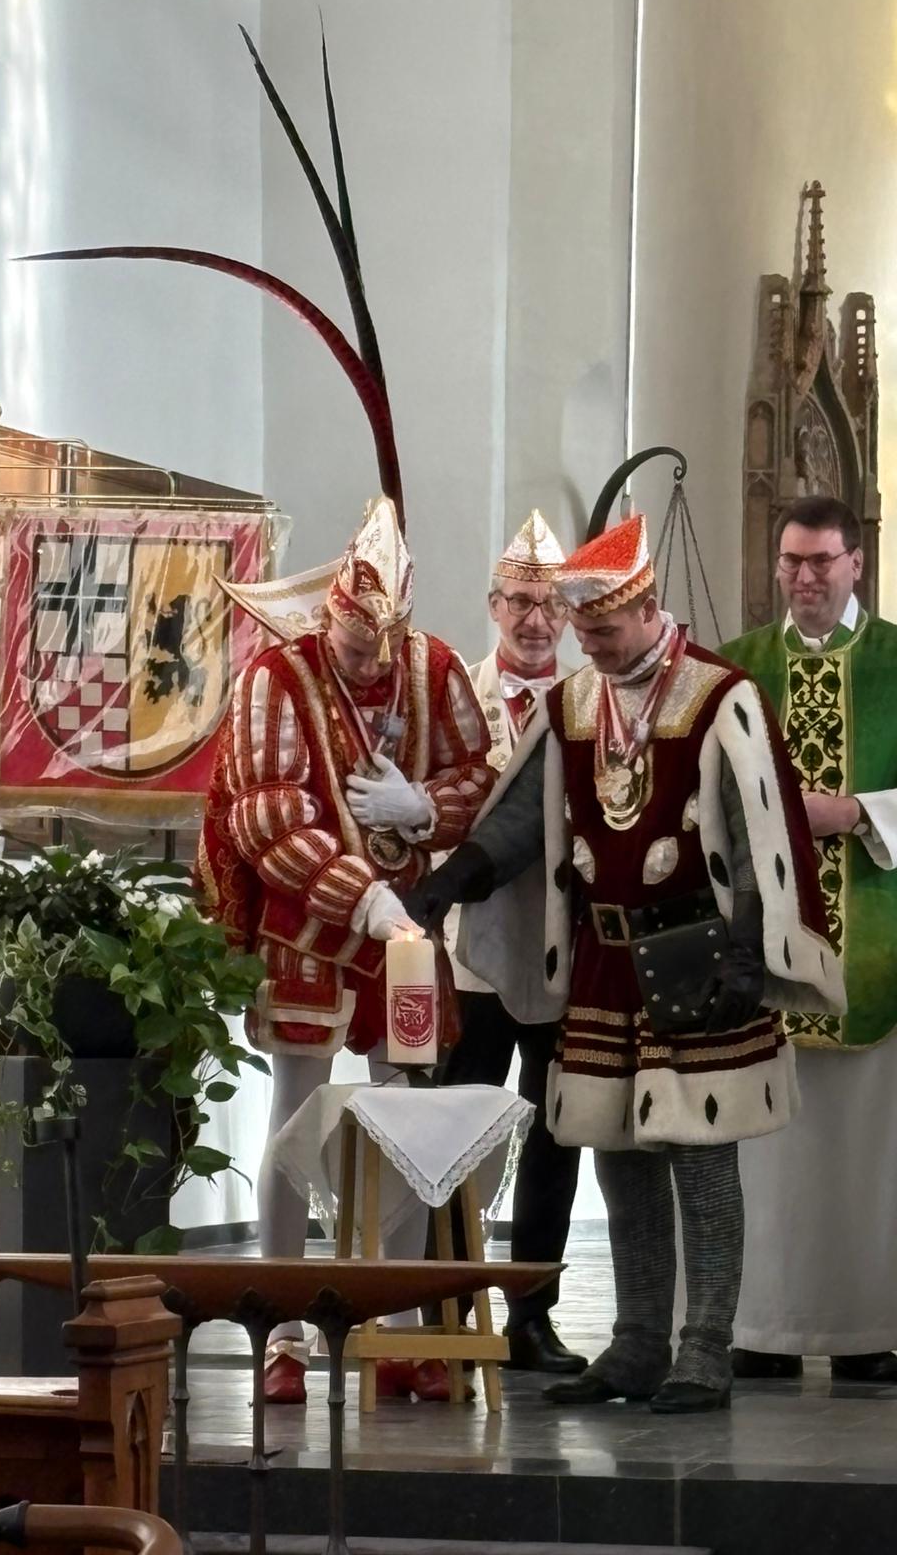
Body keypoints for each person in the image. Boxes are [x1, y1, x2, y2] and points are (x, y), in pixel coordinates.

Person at [407, 514, 844, 1413]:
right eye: (583, 630)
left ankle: (704, 1349)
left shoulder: (720, 697)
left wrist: (749, 957)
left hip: (701, 956)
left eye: (603, 629)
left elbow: (763, 835)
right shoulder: (576, 706)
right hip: (605, 963)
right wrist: (452, 879)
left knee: (700, 1160)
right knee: (618, 1157)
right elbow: (523, 819)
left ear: (647, 608)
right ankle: (639, 1343)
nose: (590, 646)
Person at [197, 497, 495, 1404]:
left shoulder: (434, 667)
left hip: (406, 929)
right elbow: (266, 818)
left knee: (405, 1115)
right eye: (356, 648)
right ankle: (280, 1326)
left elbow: (479, 777)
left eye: (381, 649)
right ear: (331, 615)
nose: (369, 665)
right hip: (309, 929)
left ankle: (391, 1321)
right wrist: (363, 898)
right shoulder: (275, 678)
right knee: (296, 1118)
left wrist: (425, 808)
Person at [719, 496, 897, 1383]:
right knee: (769, 1155)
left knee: (868, 1156)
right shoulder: (739, 668)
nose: (804, 577)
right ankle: (764, 1329)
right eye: (791, 561)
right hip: (766, 945)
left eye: (821, 561)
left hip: (876, 943)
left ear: (856, 563)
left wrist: (858, 811)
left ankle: (869, 1333)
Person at [433, 510, 586, 1375]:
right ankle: (447, 1308)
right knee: (455, 1124)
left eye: (551, 605)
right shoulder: (456, 696)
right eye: (521, 602)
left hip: (560, 943)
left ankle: (532, 1313)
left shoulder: (586, 702)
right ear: (493, 605)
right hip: (469, 948)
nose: (536, 620)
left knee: (558, 1130)